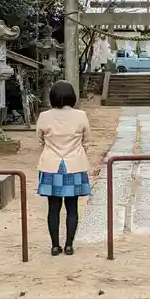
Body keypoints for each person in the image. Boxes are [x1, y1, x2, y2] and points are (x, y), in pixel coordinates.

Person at [36, 80, 92, 256]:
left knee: (53, 208)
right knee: (72, 207)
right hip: (74, 165)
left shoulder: (44, 116)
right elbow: (87, 141)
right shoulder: (81, 115)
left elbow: (40, 140)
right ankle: (69, 245)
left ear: (52, 96)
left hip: (51, 165)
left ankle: (54, 246)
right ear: (72, 96)